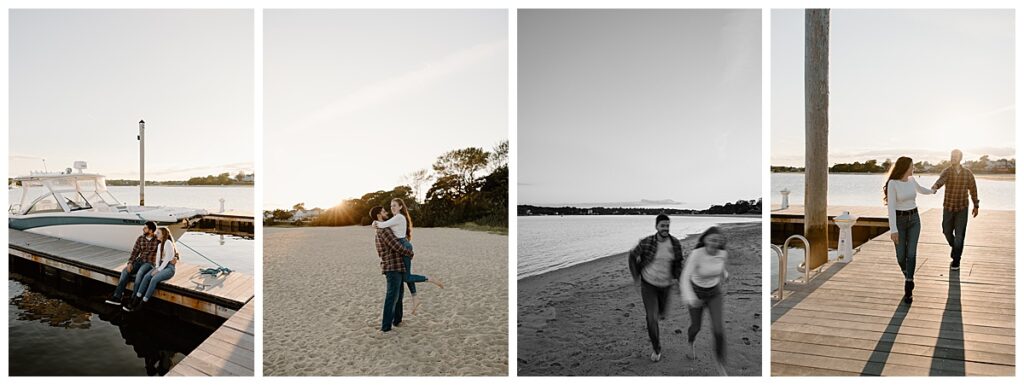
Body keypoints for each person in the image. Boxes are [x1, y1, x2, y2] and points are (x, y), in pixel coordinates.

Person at [627, 213, 684, 362]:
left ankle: (660, 311)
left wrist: (680, 280)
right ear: (656, 226)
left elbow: (678, 264)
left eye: (667, 226)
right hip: (648, 284)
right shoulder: (647, 242)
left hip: (666, 286)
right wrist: (636, 277)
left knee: (661, 313)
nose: (665, 228)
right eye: (662, 226)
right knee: (651, 318)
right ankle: (656, 348)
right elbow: (632, 256)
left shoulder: (675, 244)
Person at [372, 198, 443, 314]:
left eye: (395, 205)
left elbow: (382, 224)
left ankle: (430, 279)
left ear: (400, 207)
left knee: (406, 277)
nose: (392, 208)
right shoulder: (395, 218)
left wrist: (374, 223)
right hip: (402, 245)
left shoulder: (399, 217)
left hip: (404, 245)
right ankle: (415, 298)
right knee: (407, 275)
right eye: (391, 206)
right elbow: (384, 225)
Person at [884, 156, 936, 304]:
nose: (913, 169)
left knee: (911, 253)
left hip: (914, 219)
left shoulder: (912, 180)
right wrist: (893, 229)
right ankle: (908, 274)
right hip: (899, 222)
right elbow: (891, 208)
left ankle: (908, 284)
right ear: (905, 167)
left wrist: (933, 191)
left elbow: (921, 190)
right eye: (912, 166)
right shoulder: (893, 184)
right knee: (901, 256)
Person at [680, 226, 729, 376]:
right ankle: (690, 342)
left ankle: (720, 364)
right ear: (705, 239)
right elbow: (684, 277)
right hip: (696, 293)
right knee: (696, 327)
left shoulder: (722, 253)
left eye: (718, 241)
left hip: (714, 292)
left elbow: (720, 267)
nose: (715, 243)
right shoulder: (696, 254)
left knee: (718, 329)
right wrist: (691, 297)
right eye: (712, 240)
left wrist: (725, 274)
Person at [931, 149, 980, 271]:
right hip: (948, 206)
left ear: (960, 158)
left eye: (955, 156)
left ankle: (956, 260)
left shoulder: (968, 173)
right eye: (951, 156)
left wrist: (976, 205)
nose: (952, 158)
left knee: (959, 235)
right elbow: (940, 181)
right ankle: (956, 248)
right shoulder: (947, 171)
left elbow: (973, 190)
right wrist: (935, 186)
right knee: (946, 231)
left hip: (962, 208)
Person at [371, 206, 415, 332]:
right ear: (379, 215)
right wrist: (409, 253)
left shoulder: (383, 227)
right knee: (392, 296)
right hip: (392, 266)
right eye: (384, 211)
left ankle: (397, 320)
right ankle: (386, 326)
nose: (387, 213)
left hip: (397, 265)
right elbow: (395, 245)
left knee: (399, 294)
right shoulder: (383, 230)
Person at [124, 227, 179, 312]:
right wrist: (156, 267)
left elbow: (167, 259)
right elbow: (158, 258)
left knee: (154, 279)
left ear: (163, 235)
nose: (156, 234)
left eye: (158, 233)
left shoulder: (168, 243)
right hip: (160, 266)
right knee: (146, 277)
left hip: (169, 268)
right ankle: (135, 300)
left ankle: (142, 304)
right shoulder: (160, 244)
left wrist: (158, 270)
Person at [105, 221, 160, 306]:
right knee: (125, 271)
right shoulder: (140, 238)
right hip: (139, 261)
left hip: (149, 263)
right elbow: (135, 252)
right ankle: (117, 297)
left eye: (145, 228)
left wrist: (175, 256)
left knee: (140, 273)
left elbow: (169, 246)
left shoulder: (158, 239)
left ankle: (133, 298)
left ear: (151, 230)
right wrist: (130, 263)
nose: (143, 229)